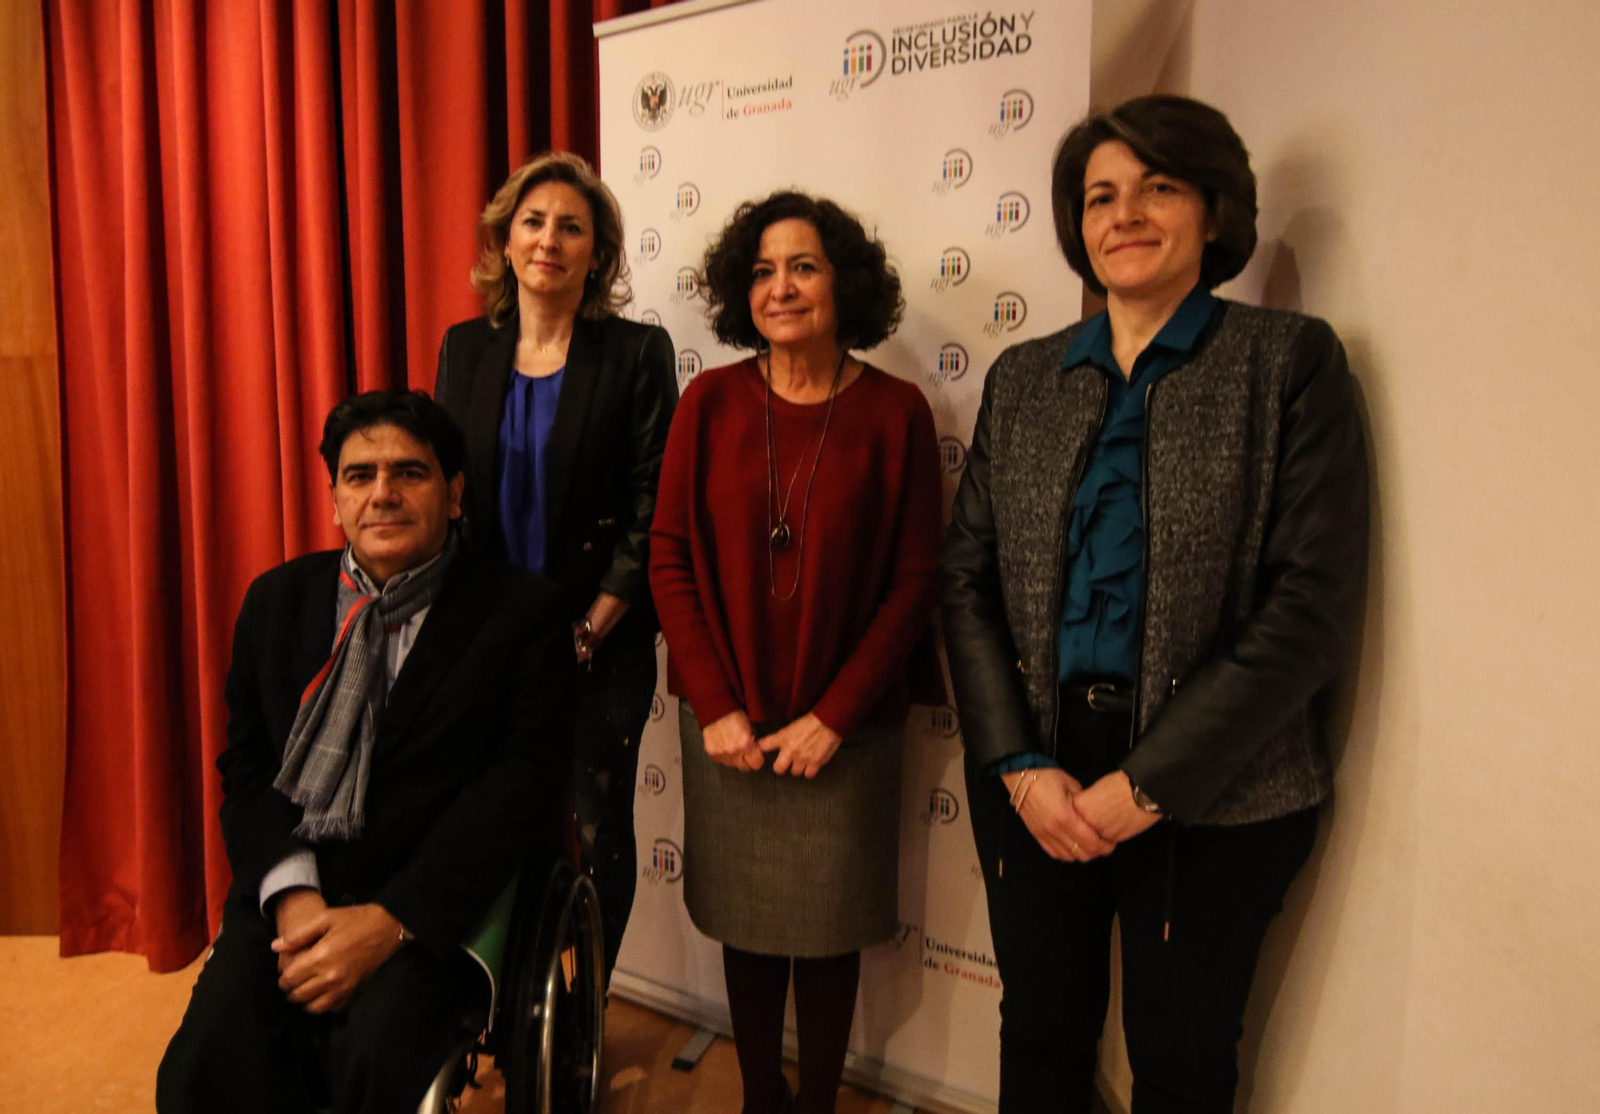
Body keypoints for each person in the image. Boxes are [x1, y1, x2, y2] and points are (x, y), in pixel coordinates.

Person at [940, 95, 1369, 1114]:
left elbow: (1309, 604)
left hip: (1219, 792)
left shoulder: (1286, 362)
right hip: (1035, 772)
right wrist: (1016, 761)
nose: (1123, 213)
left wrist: (1148, 782)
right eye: (1099, 196)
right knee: (1040, 1034)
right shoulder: (1024, 377)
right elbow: (965, 580)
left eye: (1157, 187)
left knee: (1180, 1063)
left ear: (1215, 211)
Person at [156, 390, 574, 1114]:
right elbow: (248, 771)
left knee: (373, 1066)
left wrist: (390, 922)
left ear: (453, 495)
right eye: (360, 476)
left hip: (430, 903)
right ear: (334, 500)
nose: (383, 493)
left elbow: (519, 791)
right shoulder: (276, 604)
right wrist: (292, 900)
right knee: (202, 1068)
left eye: (409, 473)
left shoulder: (521, 614)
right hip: (297, 894)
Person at [649, 191, 942, 1114]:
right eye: (764, 270)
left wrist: (834, 717)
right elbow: (669, 556)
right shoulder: (708, 401)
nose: (781, 287)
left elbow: (915, 582)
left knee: (826, 931)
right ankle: (761, 1100)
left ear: (842, 282)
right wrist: (714, 703)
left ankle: (816, 1099)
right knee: (746, 919)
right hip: (726, 722)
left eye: (804, 266)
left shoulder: (896, 412)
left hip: (843, 733)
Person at [433, 151, 676, 985]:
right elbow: (449, 497)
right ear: (504, 241)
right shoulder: (464, 350)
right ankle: (497, 993)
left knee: (598, 824)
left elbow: (653, 506)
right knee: (492, 814)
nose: (549, 240)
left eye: (571, 227)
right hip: (490, 641)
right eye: (533, 223)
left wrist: (591, 624)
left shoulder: (637, 353)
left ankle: (582, 1013)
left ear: (597, 254)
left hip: (597, 643)